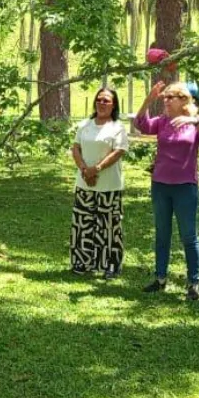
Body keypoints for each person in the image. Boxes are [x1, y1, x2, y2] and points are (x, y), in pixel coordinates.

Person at [134, 80, 199, 301]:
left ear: (183, 99)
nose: (166, 100)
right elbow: (140, 125)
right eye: (164, 97)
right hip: (160, 185)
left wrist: (194, 119)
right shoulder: (162, 122)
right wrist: (148, 100)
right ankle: (160, 278)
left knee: (188, 236)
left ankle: (193, 283)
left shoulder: (196, 122)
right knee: (162, 234)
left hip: (185, 186)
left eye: (170, 97)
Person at [70, 87, 130, 278]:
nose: (102, 103)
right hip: (84, 183)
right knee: (83, 223)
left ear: (113, 105)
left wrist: (96, 169)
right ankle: (82, 261)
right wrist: (84, 170)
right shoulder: (84, 125)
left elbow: (118, 151)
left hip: (109, 185)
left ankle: (110, 264)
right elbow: (76, 148)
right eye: (99, 99)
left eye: (106, 101)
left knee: (109, 225)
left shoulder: (117, 128)